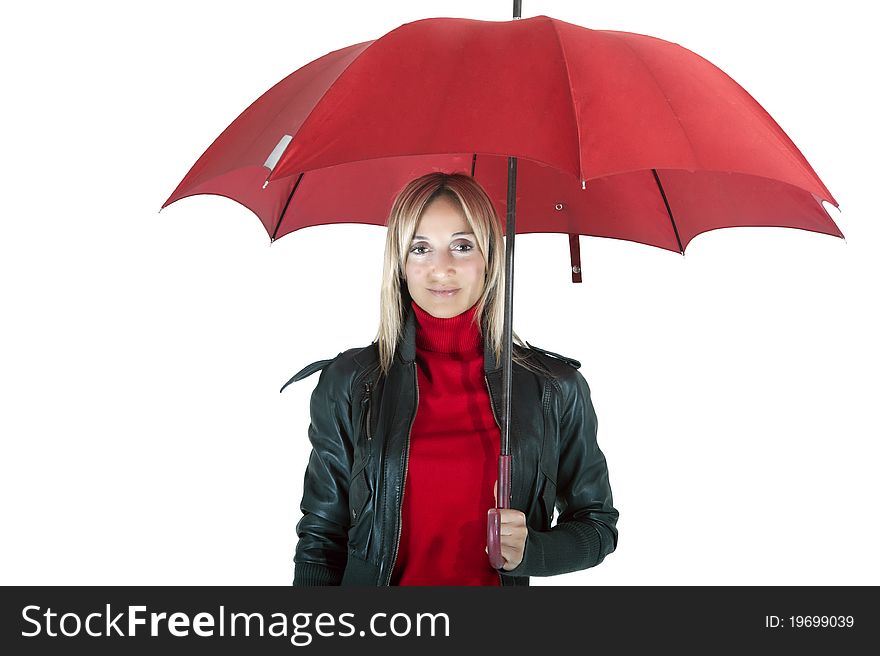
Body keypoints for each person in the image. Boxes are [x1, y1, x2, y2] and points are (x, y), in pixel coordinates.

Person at [281, 172, 618, 586]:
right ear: (400, 264)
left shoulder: (555, 388)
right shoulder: (350, 383)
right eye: (420, 248)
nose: (442, 268)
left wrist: (535, 552)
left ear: (491, 259)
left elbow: (597, 525)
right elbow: (321, 538)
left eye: (462, 246)